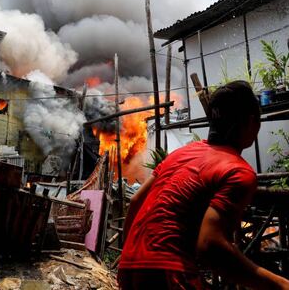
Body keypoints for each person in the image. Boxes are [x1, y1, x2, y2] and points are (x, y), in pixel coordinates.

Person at [118, 81, 289, 289]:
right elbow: (210, 246)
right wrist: (280, 284)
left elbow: (136, 201)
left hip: (129, 266)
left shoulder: (180, 154)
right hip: (169, 270)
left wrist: (130, 258)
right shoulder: (239, 171)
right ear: (251, 121)